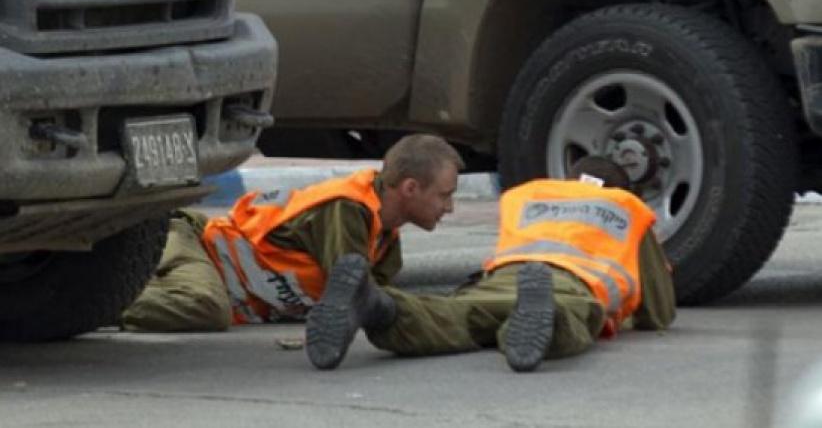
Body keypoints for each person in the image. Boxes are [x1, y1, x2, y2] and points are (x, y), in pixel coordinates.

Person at [305, 156, 676, 372]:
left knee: (455, 317)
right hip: (568, 285)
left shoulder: (529, 195)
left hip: (501, 278)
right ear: (620, 190)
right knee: (569, 317)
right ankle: (539, 319)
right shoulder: (625, 207)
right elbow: (658, 311)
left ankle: (378, 305)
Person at [121, 133, 464, 332]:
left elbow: (379, 301)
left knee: (209, 305)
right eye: (444, 195)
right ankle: (96, 308)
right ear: (410, 188)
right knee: (205, 308)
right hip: (197, 247)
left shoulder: (385, 240)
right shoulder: (346, 209)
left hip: (218, 279)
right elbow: (355, 295)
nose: (448, 207)